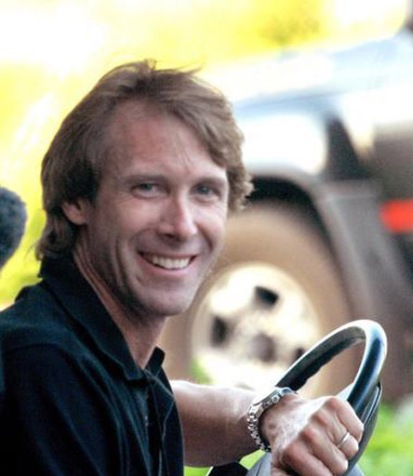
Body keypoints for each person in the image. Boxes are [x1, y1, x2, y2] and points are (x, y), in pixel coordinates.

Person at [0, 60, 364, 475]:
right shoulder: (42, 366)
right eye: (148, 187)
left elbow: (173, 405)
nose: (182, 225)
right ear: (76, 200)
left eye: (205, 191)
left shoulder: (119, 367)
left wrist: (276, 411)